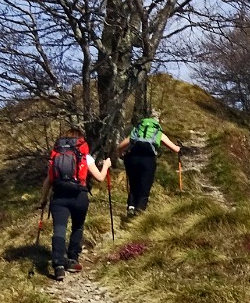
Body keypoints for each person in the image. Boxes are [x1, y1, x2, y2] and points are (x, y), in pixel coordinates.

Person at [38, 127, 111, 280]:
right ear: (80, 140)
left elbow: (48, 180)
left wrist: (43, 200)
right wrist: (106, 165)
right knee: (78, 226)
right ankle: (72, 259)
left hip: (59, 196)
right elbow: (100, 178)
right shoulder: (84, 155)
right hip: (79, 196)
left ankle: (58, 264)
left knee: (59, 229)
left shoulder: (57, 154)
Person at [115, 110, 181, 219]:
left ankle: (131, 207)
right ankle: (139, 215)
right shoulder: (158, 132)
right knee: (144, 187)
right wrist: (180, 149)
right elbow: (175, 149)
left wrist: (122, 155)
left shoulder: (137, 130)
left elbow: (120, 146)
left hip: (132, 159)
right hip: (148, 160)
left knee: (134, 184)